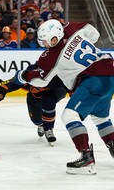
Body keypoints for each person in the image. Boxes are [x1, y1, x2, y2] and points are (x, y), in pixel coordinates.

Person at [13, 19, 114, 174]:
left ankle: (86, 157)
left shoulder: (51, 57)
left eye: (45, 42)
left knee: (69, 115)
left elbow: (42, 80)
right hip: (109, 72)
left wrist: (23, 76)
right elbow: (94, 34)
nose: (44, 45)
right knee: (101, 117)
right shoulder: (72, 27)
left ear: (54, 39)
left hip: (93, 79)